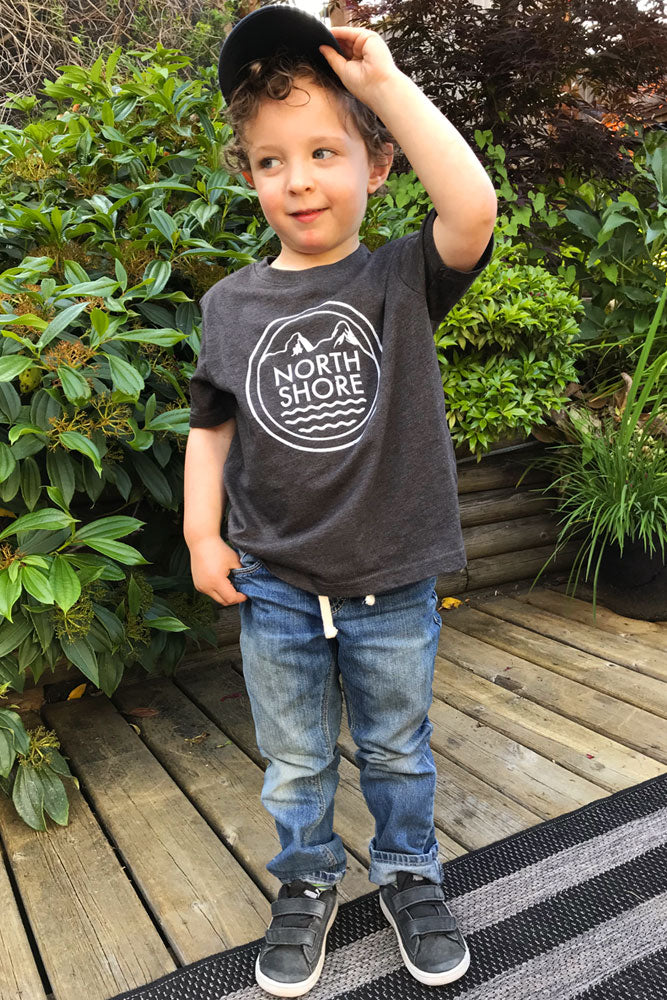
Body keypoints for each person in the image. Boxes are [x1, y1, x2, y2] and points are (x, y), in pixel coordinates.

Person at [183, 6, 496, 997]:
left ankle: (409, 874)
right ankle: (308, 879)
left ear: (377, 164)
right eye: (271, 161)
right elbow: (210, 427)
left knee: (397, 751)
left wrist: (385, 88)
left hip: (390, 582)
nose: (299, 179)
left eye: (324, 151)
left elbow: (474, 208)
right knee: (293, 759)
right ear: (248, 176)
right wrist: (199, 533)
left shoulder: (399, 279)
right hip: (275, 584)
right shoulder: (228, 306)